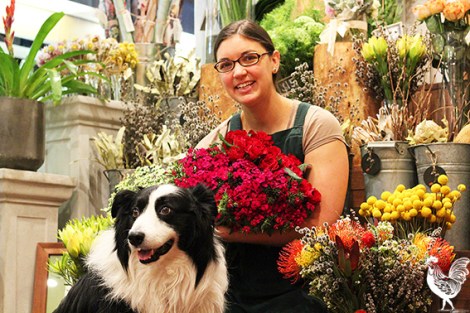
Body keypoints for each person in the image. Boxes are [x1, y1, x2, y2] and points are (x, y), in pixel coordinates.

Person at [196, 19, 349, 313]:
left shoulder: (316, 125)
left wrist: (225, 230)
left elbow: (320, 225)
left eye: (249, 58)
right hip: (231, 296)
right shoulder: (217, 139)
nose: (239, 72)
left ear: (274, 61)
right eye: (226, 65)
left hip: (304, 292)